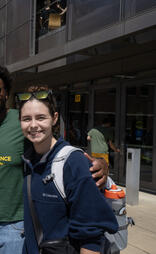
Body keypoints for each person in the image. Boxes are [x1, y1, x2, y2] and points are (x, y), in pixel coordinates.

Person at [0, 63, 109, 253]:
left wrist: (99, 164)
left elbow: (56, 150)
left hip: (14, 228)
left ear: (6, 93)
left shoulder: (23, 120)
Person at [18, 86, 118, 254]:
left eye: (41, 117)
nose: (33, 125)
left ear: (54, 118)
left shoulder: (73, 163)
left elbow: (91, 235)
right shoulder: (29, 160)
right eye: (27, 119)